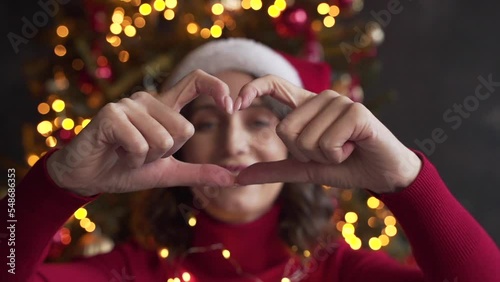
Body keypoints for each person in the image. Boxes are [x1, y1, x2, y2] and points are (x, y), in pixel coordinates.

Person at [1, 37, 499, 282]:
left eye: (259, 121)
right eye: (209, 123)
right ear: (179, 142)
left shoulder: (343, 272)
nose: (234, 146)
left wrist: (409, 182)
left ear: (294, 139)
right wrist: (55, 183)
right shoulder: (129, 272)